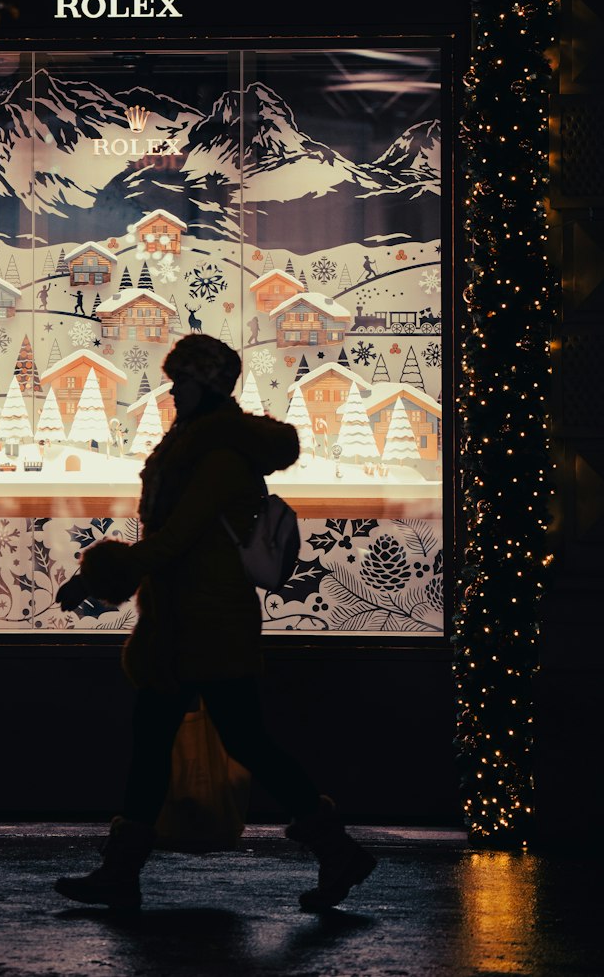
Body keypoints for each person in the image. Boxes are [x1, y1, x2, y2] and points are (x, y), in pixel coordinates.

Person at [54, 333, 376, 915]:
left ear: (208, 385)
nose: (174, 390)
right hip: (184, 620)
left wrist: (100, 574)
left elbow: (176, 539)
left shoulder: (220, 456)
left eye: (183, 380)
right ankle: (122, 870)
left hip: (208, 622)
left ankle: (337, 849)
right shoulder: (198, 444)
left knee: (241, 738)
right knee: (157, 739)